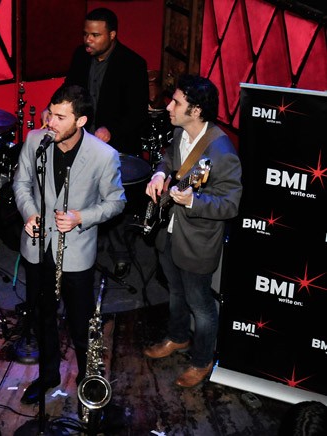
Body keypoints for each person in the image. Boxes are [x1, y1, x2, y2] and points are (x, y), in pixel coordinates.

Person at [12, 84, 125, 405]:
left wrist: (81, 217)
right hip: (38, 248)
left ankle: (89, 382)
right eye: (51, 114)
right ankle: (48, 375)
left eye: (61, 117)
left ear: (81, 121)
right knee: (41, 316)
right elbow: (21, 183)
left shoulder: (104, 155)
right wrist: (29, 213)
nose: (51, 122)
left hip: (76, 253)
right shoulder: (35, 141)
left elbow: (116, 201)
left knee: (80, 323)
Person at [142, 74, 242, 388]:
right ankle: (178, 336)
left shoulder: (223, 152)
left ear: (196, 111)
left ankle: (202, 361)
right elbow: (168, 158)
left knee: (200, 304)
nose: (169, 107)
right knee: (175, 291)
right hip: (170, 232)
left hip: (198, 242)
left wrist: (194, 201)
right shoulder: (180, 132)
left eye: (176, 102)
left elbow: (231, 205)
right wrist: (159, 174)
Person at [63, 7, 149, 279]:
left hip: (116, 147)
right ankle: (85, 246)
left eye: (95, 35)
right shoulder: (80, 56)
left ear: (112, 35)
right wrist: (54, 110)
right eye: (85, 34)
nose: (88, 40)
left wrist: (111, 130)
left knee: (113, 200)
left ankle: (121, 254)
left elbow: (137, 112)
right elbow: (68, 90)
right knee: (82, 195)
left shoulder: (133, 64)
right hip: (83, 142)